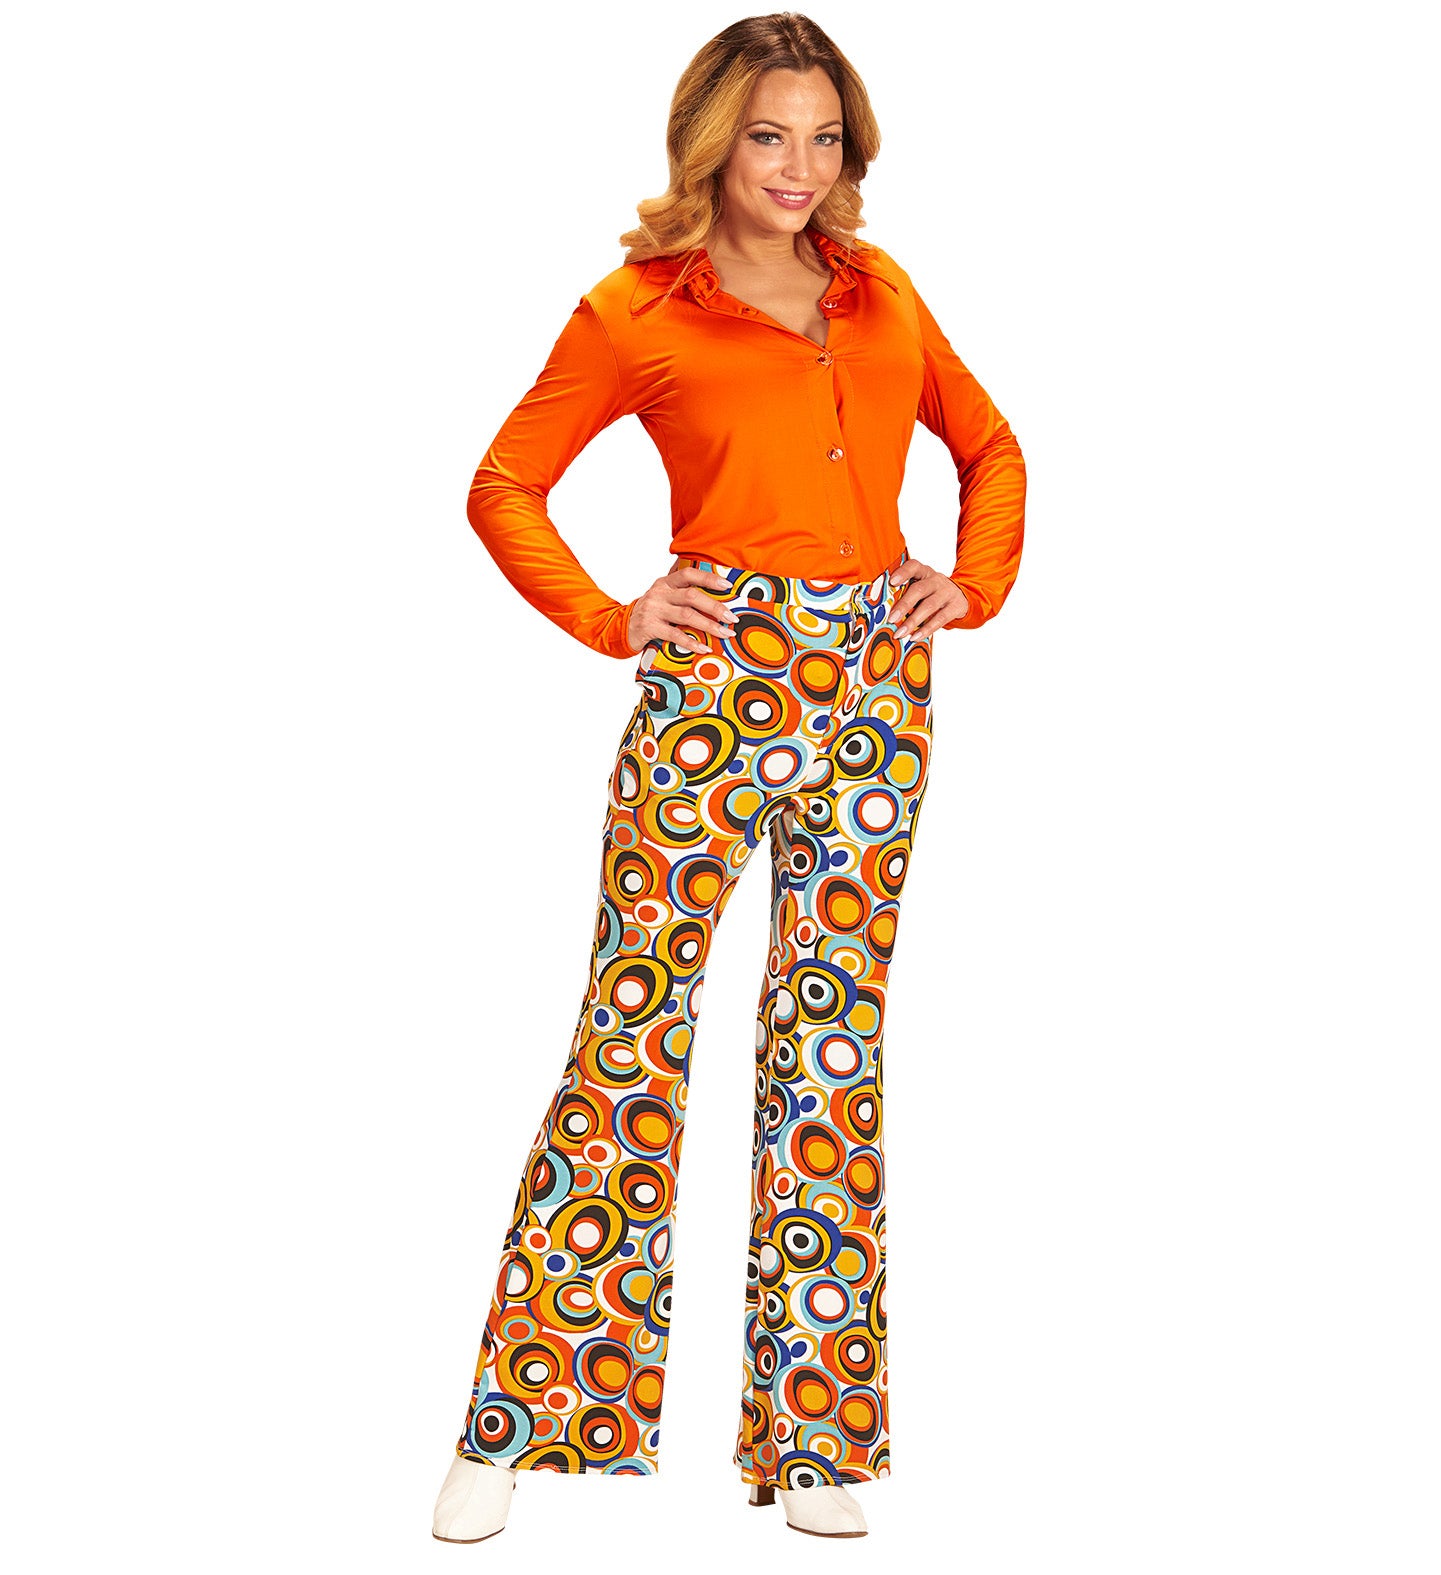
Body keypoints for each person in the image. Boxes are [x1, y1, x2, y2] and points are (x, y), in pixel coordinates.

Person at [432, 12, 1026, 1543]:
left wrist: (969, 583)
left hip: (877, 690)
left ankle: (814, 1442)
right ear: (713, 140)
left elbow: (990, 448)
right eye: (769, 134)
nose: (797, 166)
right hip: (715, 680)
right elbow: (504, 483)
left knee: (830, 1044)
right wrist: (611, 615)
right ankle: (523, 1421)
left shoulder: (880, 291)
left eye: (823, 138)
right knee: (632, 1025)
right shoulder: (637, 308)